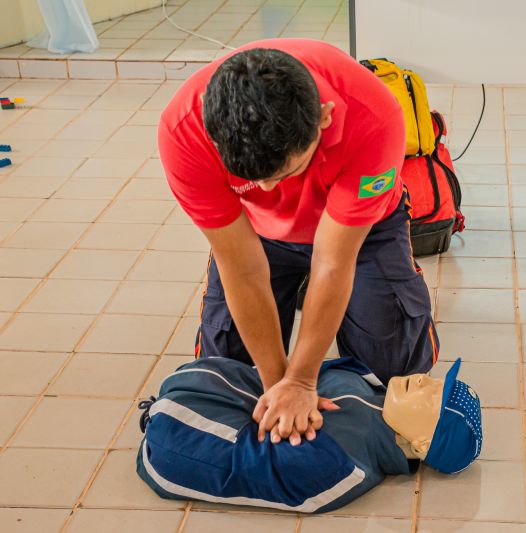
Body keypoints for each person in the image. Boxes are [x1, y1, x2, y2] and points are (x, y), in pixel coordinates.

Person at [158, 38, 439, 446]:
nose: (267, 189)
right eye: (253, 178)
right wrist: (279, 385)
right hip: (256, 231)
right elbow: (243, 268)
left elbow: (332, 261)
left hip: (360, 231)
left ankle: (357, 309)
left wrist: (304, 378)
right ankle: (305, 309)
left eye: (285, 173)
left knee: (394, 372)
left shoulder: (373, 116)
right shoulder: (183, 130)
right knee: (227, 371)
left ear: (324, 118)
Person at [136, 356, 482, 513]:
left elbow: (241, 464)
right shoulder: (366, 384)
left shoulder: (343, 466)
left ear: (422, 444)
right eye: (436, 381)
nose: (424, 379)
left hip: (172, 438)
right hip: (194, 395)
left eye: (433, 396)